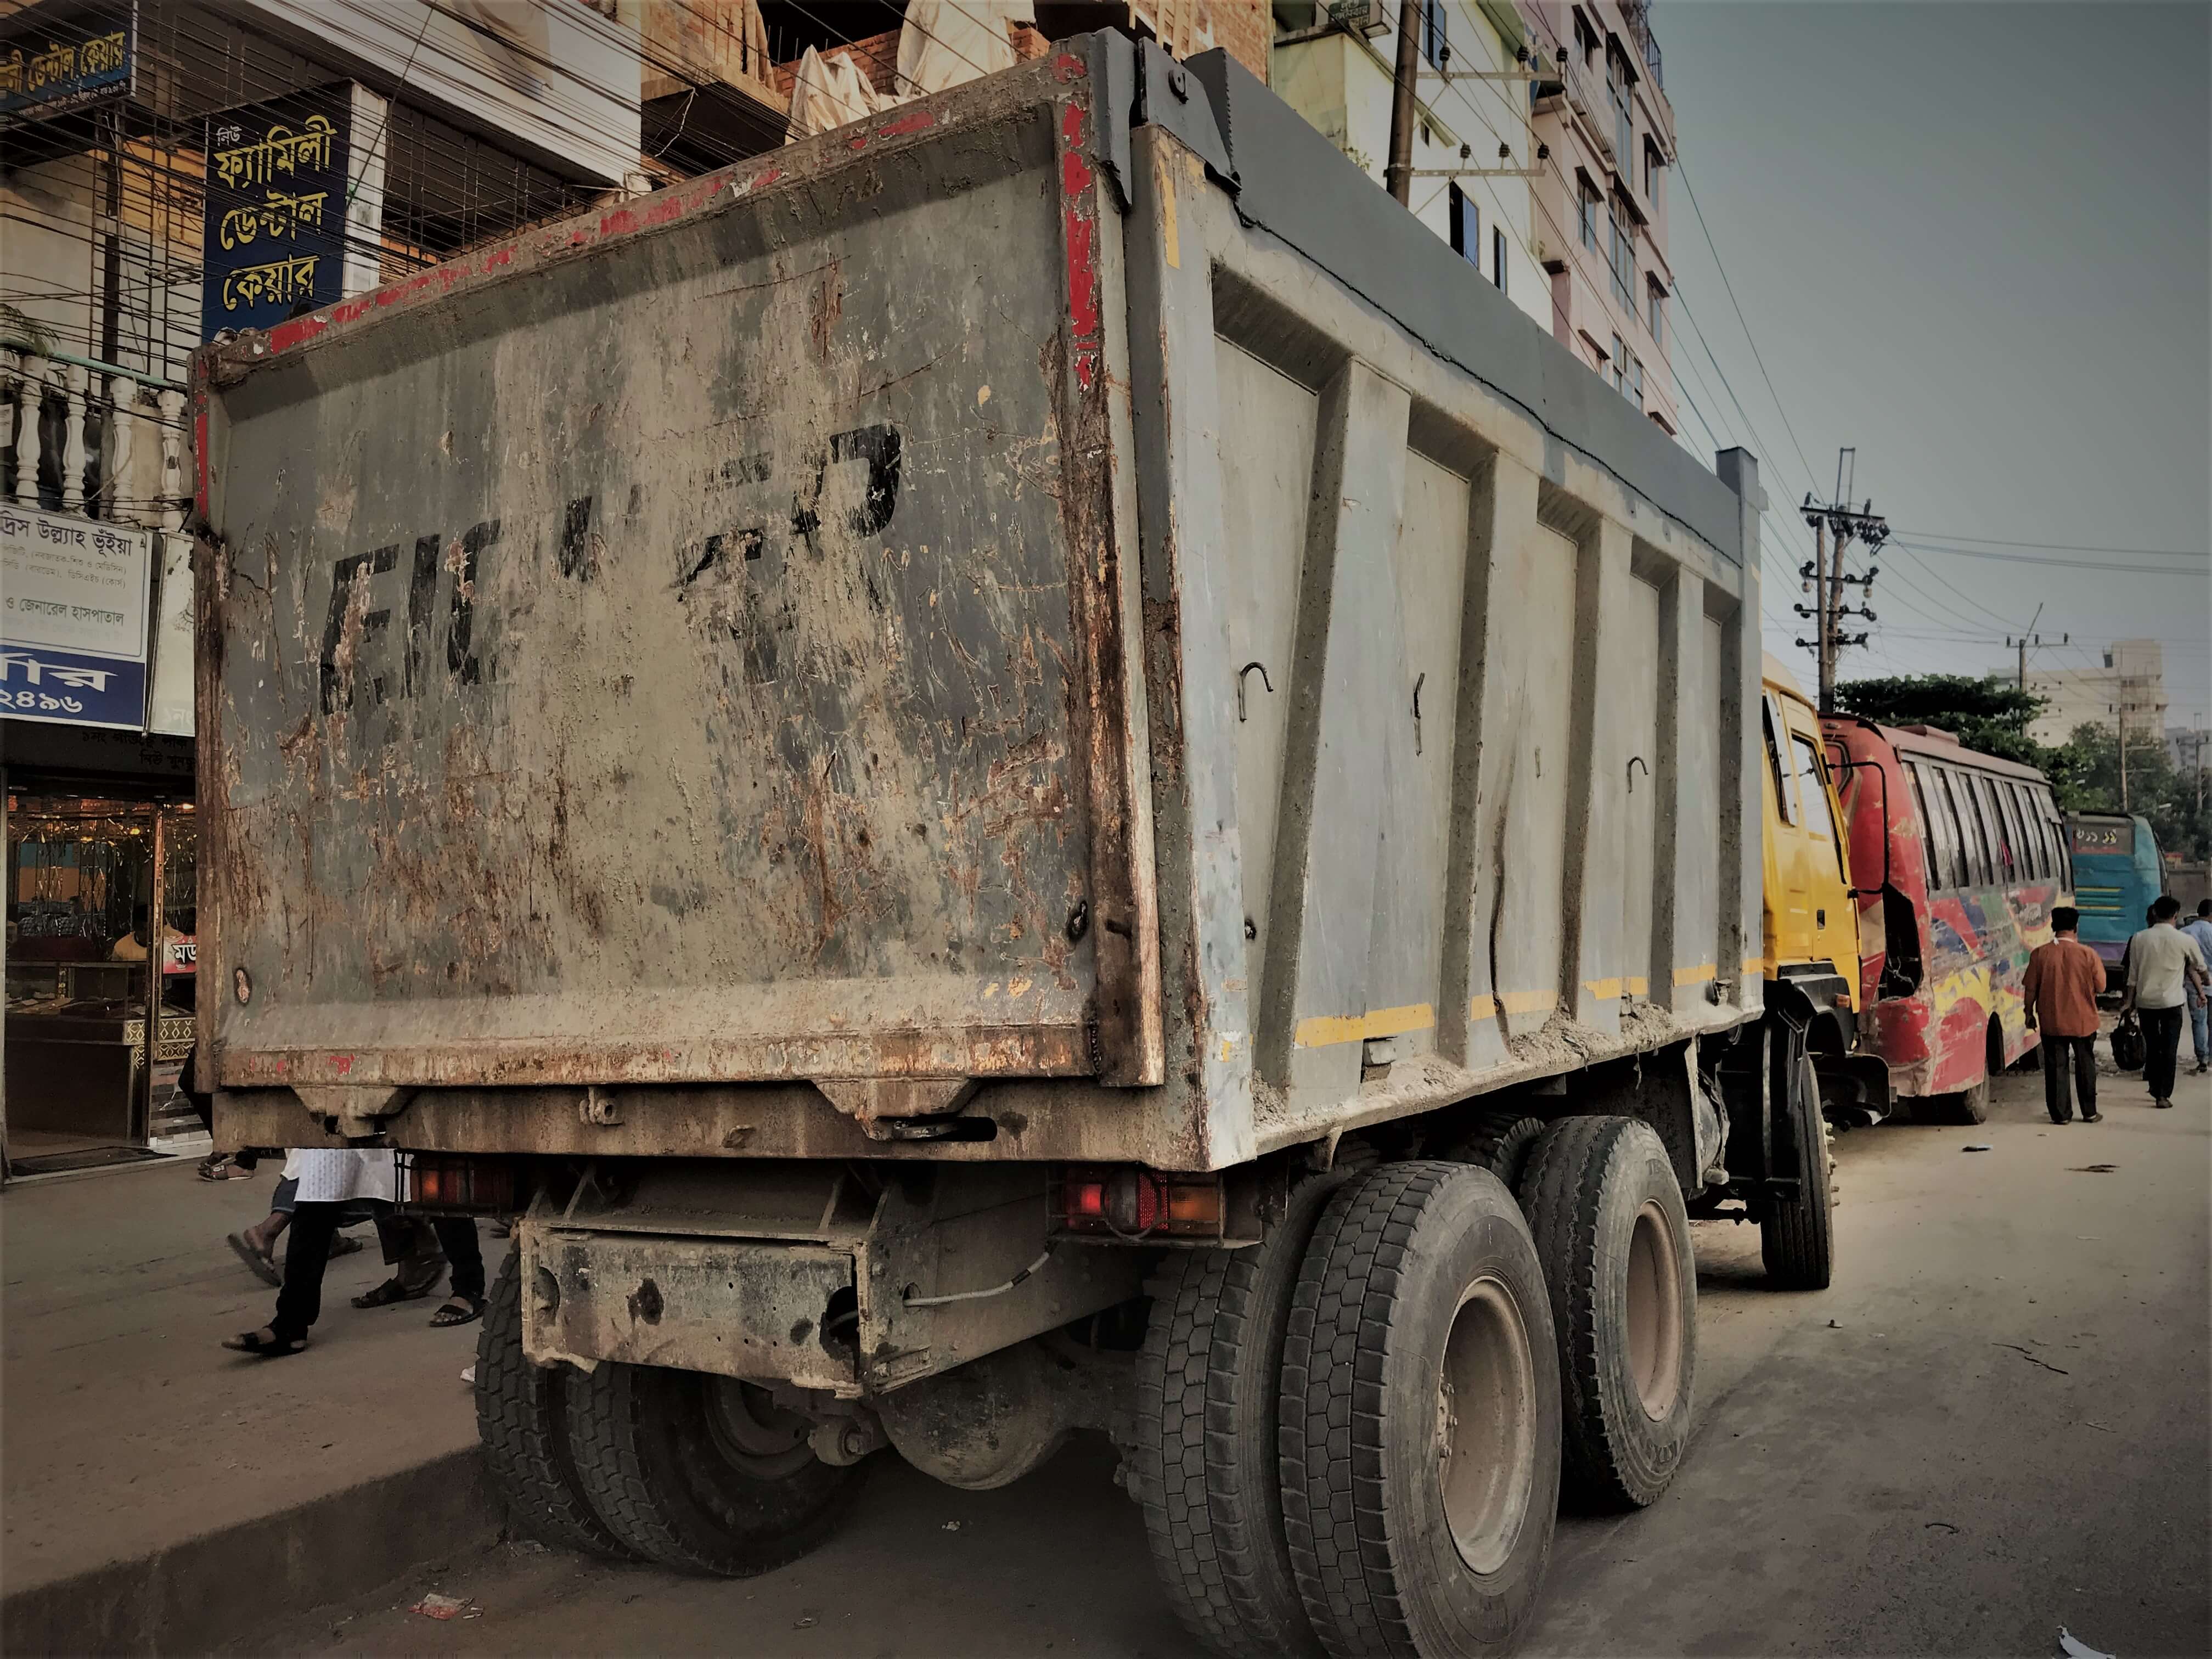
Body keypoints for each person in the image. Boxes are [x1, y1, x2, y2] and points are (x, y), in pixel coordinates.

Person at [222, 1149, 485, 1356]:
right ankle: (290, 1324)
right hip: (343, 1101)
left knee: (436, 1176)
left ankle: (468, 1288)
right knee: (316, 1196)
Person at [2118, 895, 2209, 1110]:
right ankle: (2163, 1095)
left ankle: (2154, 1085)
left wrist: (2129, 1002)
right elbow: (2201, 968)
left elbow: (2132, 976)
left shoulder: (2139, 938)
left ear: (2155, 914)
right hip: (2172, 1003)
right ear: (2176, 916)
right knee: (2169, 1049)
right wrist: (2204, 983)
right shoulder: (2185, 940)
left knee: (2152, 1045)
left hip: (2146, 1003)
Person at [2024, 908, 2107, 1124]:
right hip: (2084, 1021)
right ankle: (2089, 1112)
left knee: (2056, 1067)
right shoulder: (2088, 954)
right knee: (2085, 1065)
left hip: (2052, 1022)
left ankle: (2061, 1115)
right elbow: (2102, 986)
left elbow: (2031, 989)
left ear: (2053, 928)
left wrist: (2028, 1013)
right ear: (2076, 928)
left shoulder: (2040, 954)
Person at [2182, 899, 2212, 1076]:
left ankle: (2202, 1059)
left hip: (2194, 983)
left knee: (2199, 1022)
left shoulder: (2185, 933)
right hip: (2208, 981)